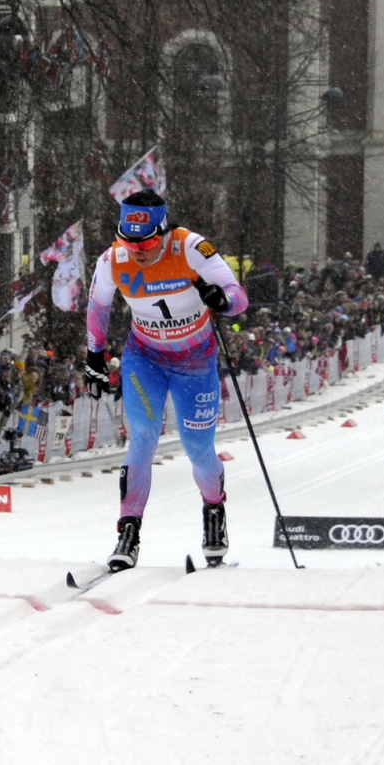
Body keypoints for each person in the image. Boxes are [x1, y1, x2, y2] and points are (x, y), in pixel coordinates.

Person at [84, 189, 248, 570]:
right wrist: (94, 355)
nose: (138, 249)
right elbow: (98, 307)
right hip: (146, 358)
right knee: (142, 436)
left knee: (198, 449)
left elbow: (239, 296)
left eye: (148, 241)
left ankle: (214, 511)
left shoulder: (192, 248)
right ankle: (128, 531)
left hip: (195, 363)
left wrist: (221, 300)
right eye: (129, 240)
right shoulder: (112, 260)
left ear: (164, 229)